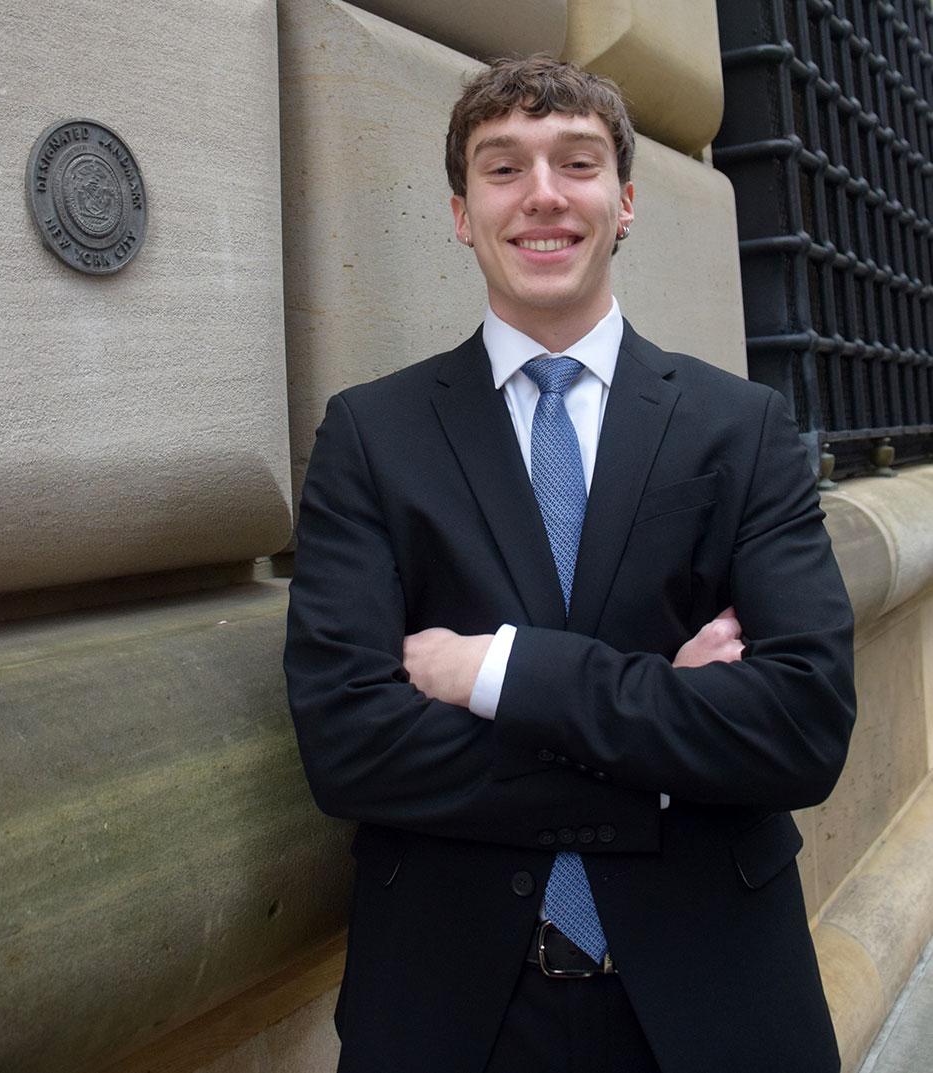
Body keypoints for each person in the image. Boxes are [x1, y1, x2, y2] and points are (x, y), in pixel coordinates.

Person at [284, 55, 855, 1073]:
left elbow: (802, 726)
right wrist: (666, 755)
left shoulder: (743, 428)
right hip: (453, 1011)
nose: (542, 194)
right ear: (463, 213)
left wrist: (500, 674)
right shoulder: (371, 436)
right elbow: (350, 745)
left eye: (576, 163)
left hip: (716, 1001)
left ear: (625, 201)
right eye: (503, 168)